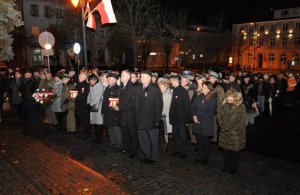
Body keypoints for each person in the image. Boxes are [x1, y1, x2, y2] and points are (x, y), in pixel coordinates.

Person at [136, 70, 163, 163]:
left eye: (143, 76)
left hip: (151, 120)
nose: (141, 78)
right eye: (141, 76)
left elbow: (159, 106)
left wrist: (157, 120)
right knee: (143, 139)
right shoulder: (139, 88)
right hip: (140, 119)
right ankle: (147, 155)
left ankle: (153, 157)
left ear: (149, 78)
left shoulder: (155, 89)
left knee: (153, 140)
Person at [217, 89, 246, 174]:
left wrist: (226, 127)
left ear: (236, 97)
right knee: (225, 151)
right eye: (227, 97)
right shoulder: (224, 105)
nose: (229, 99)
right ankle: (226, 166)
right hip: (224, 133)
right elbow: (219, 116)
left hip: (235, 134)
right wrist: (223, 125)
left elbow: (239, 120)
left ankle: (233, 168)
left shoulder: (241, 107)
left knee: (234, 153)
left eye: (231, 97)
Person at [113, 70, 138, 157]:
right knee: (124, 133)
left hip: (129, 115)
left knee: (132, 134)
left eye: (123, 75)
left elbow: (133, 103)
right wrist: (114, 104)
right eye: (121, 75)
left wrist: (120, 107)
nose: (121, 77)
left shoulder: (133, 88)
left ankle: (133, 151)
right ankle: (126, 148)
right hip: (121, 114)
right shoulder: (120, 87)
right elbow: (117, 98)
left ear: (128, 77)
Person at [191, 81, 217, 165]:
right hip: (197, 122)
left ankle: (205, 158)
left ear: (209, 89)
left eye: (205, 88)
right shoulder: (199, 96)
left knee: (205, 142)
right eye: (203, 87)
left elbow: (210, 112)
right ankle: (200, 157)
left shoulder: (212, 98)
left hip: (206, 124)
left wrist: (199, 118)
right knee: (199, 141)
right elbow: (193, 106)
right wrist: (194, 116)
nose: (203, 89)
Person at [169, 75, 191, 158]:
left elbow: (187, 105)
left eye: (173, 80)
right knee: (175, 135)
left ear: (176, 81)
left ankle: (184, 152)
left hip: (181, 119)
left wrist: (186, 119)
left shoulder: (183, 91)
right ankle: (177, 150)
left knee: (182, 136)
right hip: (175, 118)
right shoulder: (174, 90)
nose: (171, 82)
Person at [102, 73, 121, 149]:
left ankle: (118, 143)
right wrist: (103, 111)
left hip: (114, 112)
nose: (108, 80)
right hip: (107, 112)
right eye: (108, 78)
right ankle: (113, 141)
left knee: (116, 128)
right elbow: (104, 101)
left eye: (109, 79)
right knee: (110, 128)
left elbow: (118, 101)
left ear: (114, 80)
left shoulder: (117, 88)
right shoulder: (107, 88)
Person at [87, 74, 104, 143]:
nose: (90, 82)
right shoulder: (91, 86)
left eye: (91, 81)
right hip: (92, 106)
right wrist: (88, 102)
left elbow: (98, 97)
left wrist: (91, 104)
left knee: (99, 123)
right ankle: (96, 137)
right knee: (95, 123)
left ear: (96, 80)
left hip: (98, 106)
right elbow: (89, 95)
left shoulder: (100, 86)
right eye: (90, 81)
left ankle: (99, 138)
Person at [157, 78, 172, 151]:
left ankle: (165, 145)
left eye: (161, 87)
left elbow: (165, 107)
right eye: (159, 86)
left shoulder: (168, 95)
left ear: (165, 87)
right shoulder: (161, 94)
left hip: (165, 117)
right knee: (162, 132)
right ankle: (162, 144)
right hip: (161, 116)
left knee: (165, 132)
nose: (160, 88)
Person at [75, 71, 90, 139]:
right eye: (79, 76)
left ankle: (87, 134)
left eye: (80, 76)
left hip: (84, 106)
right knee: (81, 120)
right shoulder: (79, 84)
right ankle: (84, 132)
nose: (79, 77)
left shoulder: (85, 85)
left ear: (84, 77)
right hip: (79, 105)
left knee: (85, 120)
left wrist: (74, 98)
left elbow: (82, 95)